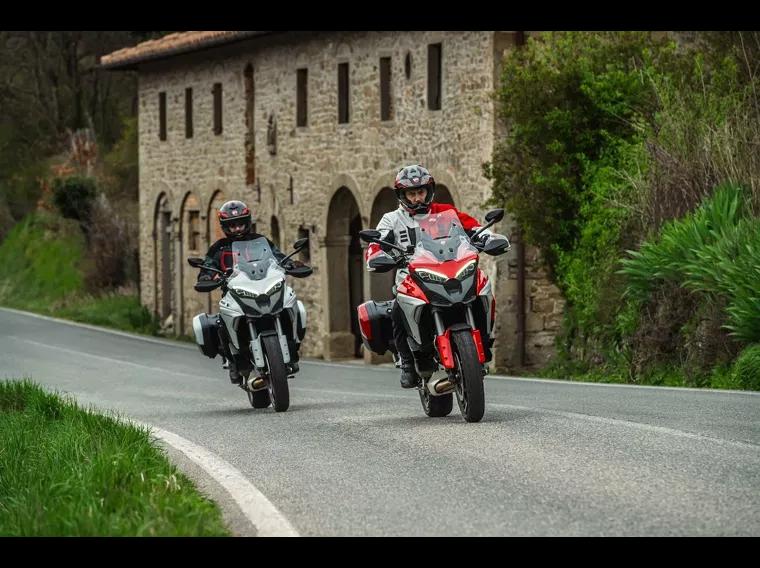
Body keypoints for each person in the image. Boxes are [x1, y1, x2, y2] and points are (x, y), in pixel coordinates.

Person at [365, 165, 508, 388]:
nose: (416, 198)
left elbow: (474, 228)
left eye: (420, 192)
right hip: (411, 275)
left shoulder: (446, 212)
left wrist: (489, 239)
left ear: (429, 190)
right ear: (402, 196)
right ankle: (407, 362)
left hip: (449, 269)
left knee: (481, 287)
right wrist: (376, 255)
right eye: (411, 194)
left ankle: (485, 339)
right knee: (397, 308)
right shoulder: (391, 220)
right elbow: (377, 243)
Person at [197, 199, 301, 383]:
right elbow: (207, 266)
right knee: (221, 324)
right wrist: (207, 276)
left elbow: (277, 256)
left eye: (241, 224)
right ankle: (235, 362)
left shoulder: (260, 242)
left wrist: (289, 263)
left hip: (263, 286)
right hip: (235, 294)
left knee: (293, 305)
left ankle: (292, 347)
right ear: (225, 226)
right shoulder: (218, 248)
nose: (237, 229)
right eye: (232, 225)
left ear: (248, 222)